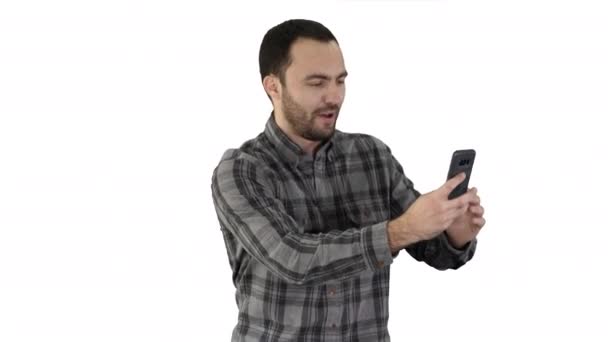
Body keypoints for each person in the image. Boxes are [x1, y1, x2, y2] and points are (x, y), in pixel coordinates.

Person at [211, 19, 486, 341]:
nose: (333, 96)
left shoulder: (372, 156)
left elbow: (433, 250)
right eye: (316, 83)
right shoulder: (241, 170)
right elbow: (291, 258)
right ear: (273, 86)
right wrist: (403, 229)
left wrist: (454, 235)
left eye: (339, 81)